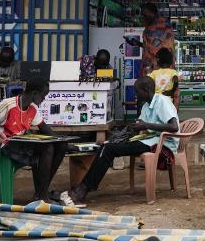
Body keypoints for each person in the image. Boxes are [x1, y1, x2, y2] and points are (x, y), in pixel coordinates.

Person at [61, 76, 179, 207]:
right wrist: (113, 137)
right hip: (148, 141)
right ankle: (82, 188)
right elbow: (139, 127)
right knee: (107, 147)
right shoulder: (146, 105)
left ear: (145, 89)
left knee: (109, 149)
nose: (136, 95)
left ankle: (82, 190)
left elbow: (174, 127)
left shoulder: (162, 101)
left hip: (162, 144)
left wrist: (147, 125)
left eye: (137, 91)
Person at [0, 78, 66, 202]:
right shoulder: (8, 104)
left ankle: (40, 192)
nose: (44, 99)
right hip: (7, 145)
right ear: (34, 94)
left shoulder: (32, 108)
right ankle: (42, 195)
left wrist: (65, 140)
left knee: (62, 146)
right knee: (47, 149)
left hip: (21, 145)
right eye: (43, 95)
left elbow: (45, 129)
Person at [140, 2, 175, 77]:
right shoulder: (165, 23)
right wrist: (139, 44)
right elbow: (154, 45)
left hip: (157, 72)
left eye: (144, 14)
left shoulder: (154, 28)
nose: (142, 17)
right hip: (166, 71)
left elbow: (154, 51)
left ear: (150, 13)